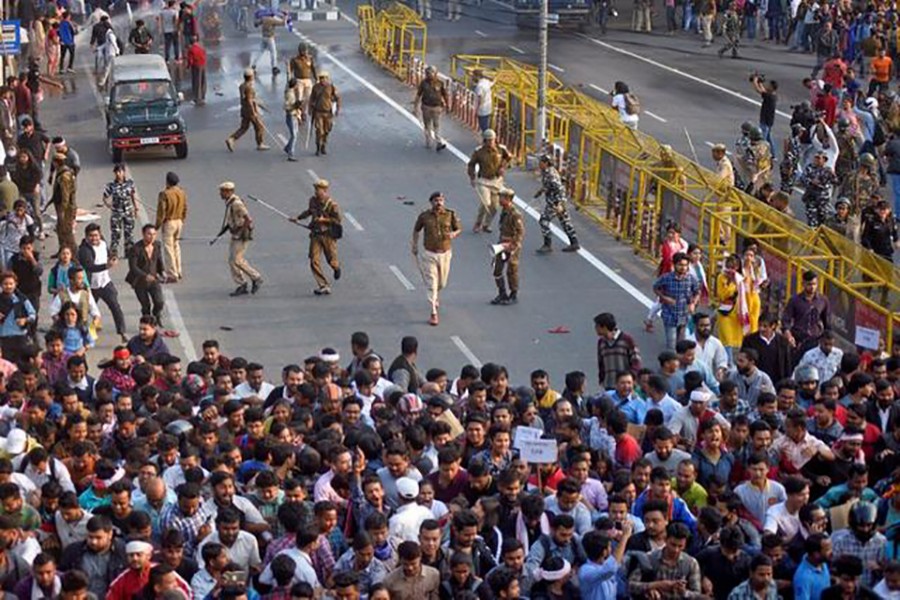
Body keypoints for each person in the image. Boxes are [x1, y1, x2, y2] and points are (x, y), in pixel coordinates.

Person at [411, 191, 461, 326]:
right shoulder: (424, 216)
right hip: (429, 254)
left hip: (445, 253)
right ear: (431, 202)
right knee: (431, 283)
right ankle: (433, 312)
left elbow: (458, 229)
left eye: (441, 200)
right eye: (436, 200)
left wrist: (453, 234)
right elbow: (416, 230)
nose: (438, 203)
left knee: (442, 283)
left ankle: (435, 296)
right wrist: (414, 245)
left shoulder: (450, 214)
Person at [77, 223, 127, 344]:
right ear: (86, 236)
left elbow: (108, 253)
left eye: (96, 235)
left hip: (105, 283)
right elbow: (89, 267)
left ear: (100, 235)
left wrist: (113, 257)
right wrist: (106, 266)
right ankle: (85, 335)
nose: (94, 238)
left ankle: (122, 332)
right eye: (91, 236)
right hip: (90, 286)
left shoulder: (103, 243)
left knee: (115, 307)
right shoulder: (84, 250)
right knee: (86, 312)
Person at [291, 179, 342, 296]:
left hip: (328, 236)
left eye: (318, 189)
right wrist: (298, 218)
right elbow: (309, 212)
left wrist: (323, 220)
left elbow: (337, 220)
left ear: (324, 190)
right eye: (315, 189)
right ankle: (323, 285)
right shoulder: (313, 201)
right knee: (314, 260)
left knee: (331, 260)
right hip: (315, 234)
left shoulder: (332, 205)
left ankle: (336, 267)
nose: (316, 191)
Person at [216, 181, 262, 297]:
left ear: (228, 192)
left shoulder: (236, 203)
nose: (220, 194)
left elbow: (248, 219)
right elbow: (232, 219)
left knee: (237, 260)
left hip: (241, 235)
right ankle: (241, 284)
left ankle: (256, 277)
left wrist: (240, 232)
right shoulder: (230, 202)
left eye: (222, 191)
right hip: (235, 234)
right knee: (232, 260)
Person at [653, 252, 700, 350]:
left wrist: (693, 303)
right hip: (669, 315)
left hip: (684, 315)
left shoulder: (691, 279)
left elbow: (697, 292)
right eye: (680, 265)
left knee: (681, 344)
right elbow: (655, 288)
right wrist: (664, 297)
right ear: (674, 265)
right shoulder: (666, 278)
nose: (683, 268)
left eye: (685, 265)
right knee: (671, 344)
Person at [467, 129, 512, 234]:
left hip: (496, 181)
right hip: (483, 181)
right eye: (488, 140)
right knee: (486, 202)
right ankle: (478, 223)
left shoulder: (501, 149)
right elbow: (471, 164)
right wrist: (472, 177)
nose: (490, 142)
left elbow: (509, 158)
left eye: (492, 140)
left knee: (495, 207)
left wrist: (503, 167)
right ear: (484, 140)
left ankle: (486, 224)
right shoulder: (479, 151)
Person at [534, 155, 579, 253]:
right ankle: (574, 242)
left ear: (546, 163)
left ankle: (547, 244)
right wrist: (541, 191)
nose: (539, 164)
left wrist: (560, 204)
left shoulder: (551, 174)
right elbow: (550, 184)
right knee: (565, 222)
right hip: (556, 201)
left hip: (555, 203)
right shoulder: (548, 172)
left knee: (544, 220)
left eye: (541, 162)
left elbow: (560, 189)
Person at [781, 270, 831, 360]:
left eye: (814, 284)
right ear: (803, 284)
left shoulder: (823, 300)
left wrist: (826, 340)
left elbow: (827, 322)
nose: (812, 287)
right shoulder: (794, 300)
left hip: (815, 340)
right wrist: (789, 336)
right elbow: (785, 321)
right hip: (798, 340)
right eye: (809, 284)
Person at [126, 224, 165, 327]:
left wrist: (162, 272)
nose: (151, 237)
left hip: (154, 280)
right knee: (145, 305)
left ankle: (156, 315)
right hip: (139, 282)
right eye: (149, 234)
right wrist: (145, 276)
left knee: (159, 302)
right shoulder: (135, 249)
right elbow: (133, 267)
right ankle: (148, 325)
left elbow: (159, 260)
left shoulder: (157, 245)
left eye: (154, 234)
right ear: (143, 234)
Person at [490, 188, 524, 306]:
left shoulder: (515, 214)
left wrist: (512, 245)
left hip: (512, 245)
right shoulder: (504, 211)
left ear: (508, 199)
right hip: (502, 243)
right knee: (496, 268)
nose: (500, 200)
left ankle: (513, 294)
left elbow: (520, 232)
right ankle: (502, 293)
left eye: (502, 198)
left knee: (511, 270)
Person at [225, 69, 269, 153]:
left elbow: (250, 99)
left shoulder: (242, 85)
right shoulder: (249, 88)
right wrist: (254, 113)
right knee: (260, 127)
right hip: (250, 110)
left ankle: (231, 139)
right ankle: (260, 144)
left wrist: (261, 105)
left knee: (244, 127)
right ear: (251, 77)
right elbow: (249, 101)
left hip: (244, 109)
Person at [155, 171, 187, 283]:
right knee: (176, 246)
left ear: (167, 181)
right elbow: (185, 208)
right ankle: (178, 271)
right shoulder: (182, 192)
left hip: (169, 223)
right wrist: (182, 220)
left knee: (168, 248)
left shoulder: (165, 194)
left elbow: (161, 212)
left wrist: (156, 226)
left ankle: (172, 274)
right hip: (179, 221)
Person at [101, 164, 137, 260]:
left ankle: (129, 253)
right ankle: (114, 253)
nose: (118, 174)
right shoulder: (111, 186)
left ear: (124, 172)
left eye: (120, 172)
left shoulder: (130, 183)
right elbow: (104, 197)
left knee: (129, 233)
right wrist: (109, 205)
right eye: (116, 172)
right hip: (117, 213)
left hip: (128, 212)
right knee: (115, 234)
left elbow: (133, 196)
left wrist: (136, 208)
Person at [415, 66, 449, 151]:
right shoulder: (423, 83)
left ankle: (438, 142)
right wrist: (415, 106)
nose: (430, 75)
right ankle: (428, 141)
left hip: (437, 107)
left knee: (436, 125)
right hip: (426, 107)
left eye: (432, 73)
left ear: (435, 73)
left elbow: (445, 95)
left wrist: (447, 105)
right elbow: (418, 95)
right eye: (428, 73)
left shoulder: (440, 83)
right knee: (427, 125)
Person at [50, 152, 76, 253]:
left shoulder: (64, 175)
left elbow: (66, 195)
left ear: (56, 162)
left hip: (65, 207)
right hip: (61, 205)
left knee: (66, 231)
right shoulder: (61, 172)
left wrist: (63, 210)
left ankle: (73, 253)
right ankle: (62, 250)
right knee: (60, 229)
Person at [309, 71, 340, 156]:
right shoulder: (315, 87)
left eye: (324, 77)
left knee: (327, 130)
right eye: (321, 78)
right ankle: (318, 148)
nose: (323, 79)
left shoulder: (331, 87)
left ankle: (324, 145)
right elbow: (311, 98)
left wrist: (338, 109)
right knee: (319, 131)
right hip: (318, 113)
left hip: (328, 113)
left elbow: (338, 98)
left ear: (327, 78)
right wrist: (310, 109)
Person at [289, 45, 317, 123]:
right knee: (299, 99)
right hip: (299, 80)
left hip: (308, 80)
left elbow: (313, 68)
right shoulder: (294, 60)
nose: (305, 53)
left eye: (305, 51)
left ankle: (303, 111)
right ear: (300, 51)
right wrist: (290, 80)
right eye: (303, 51)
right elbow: (290, 71)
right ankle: (299, 113)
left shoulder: (310, 58)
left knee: (308, 98)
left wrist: (316, 78)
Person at [283, 78, 302, 162]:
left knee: (294, 133)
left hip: (293, 115)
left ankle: (287, 147)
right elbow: (287, 107)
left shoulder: (288, 90)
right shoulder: (290, 95)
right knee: (294, 135)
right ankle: (291, 153)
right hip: (292, 115)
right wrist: (296, 105)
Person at [185, 36, 207, 105]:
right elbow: (204, 54)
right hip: (203, 64)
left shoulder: (191, 49)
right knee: (203, 81)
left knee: (197, 82)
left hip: (196, 66)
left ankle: (197, 98)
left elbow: (190, 60)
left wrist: (188, 68)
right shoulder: (201, 47)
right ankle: (203, 96)